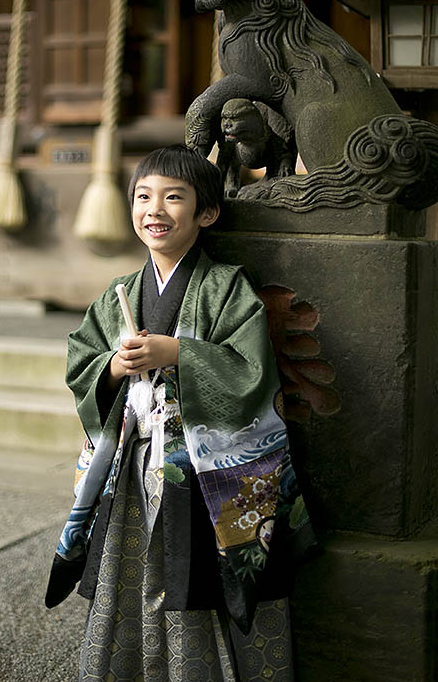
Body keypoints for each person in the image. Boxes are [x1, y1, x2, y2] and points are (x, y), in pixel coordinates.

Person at [46, 145, 313, 682]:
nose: (154, 210)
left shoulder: (226, 287)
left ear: (206, 213)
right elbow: (82, 359)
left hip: (198, 471)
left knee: (196, 575)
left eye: (173, 198)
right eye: (143, 196)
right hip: (133, 463)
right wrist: (114, 367)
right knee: (129, 570)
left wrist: (179, 354)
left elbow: (249, 373)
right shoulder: (119, 292)